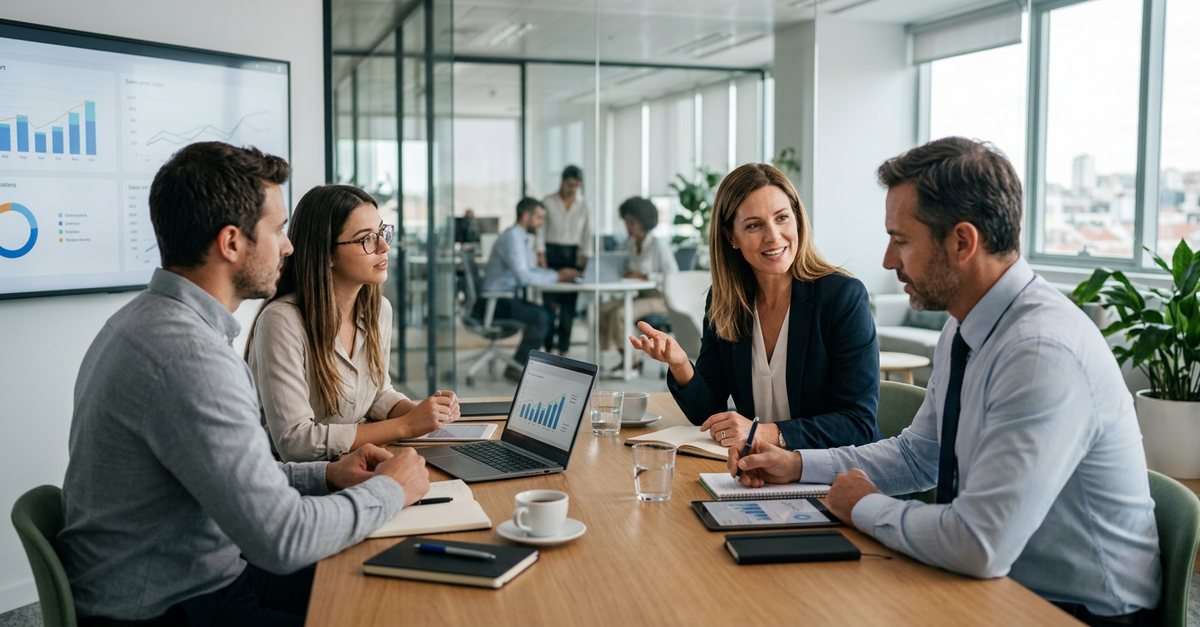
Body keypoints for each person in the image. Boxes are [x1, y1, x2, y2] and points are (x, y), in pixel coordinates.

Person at [729, 138, 1161, 626]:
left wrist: (865, 505)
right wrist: (797, 464)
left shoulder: (1040, 352)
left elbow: (980, 545)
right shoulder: (966, 325)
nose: (889, 260)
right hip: (993, 584)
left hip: (1073, 610)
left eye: (902, 239)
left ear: (962, 242)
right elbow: (920, 456)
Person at [58, 142, 430, 627]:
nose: (290, 246)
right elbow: (283, 539)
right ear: (232, 242)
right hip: (176, 606)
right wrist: (392, 491)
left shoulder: (146, 323)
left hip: (197, 571)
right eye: (277, 230)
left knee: (391, 582)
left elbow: (236, 474)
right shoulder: (191, 359)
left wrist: (326, 475)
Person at [631, 163, 881, 450]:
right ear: (731, 237)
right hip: (763, 472)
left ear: (797, 219)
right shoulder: (725, 300)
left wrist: (764, 434)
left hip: (838, 472)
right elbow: (708, 413)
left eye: (782, 218)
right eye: (754, 225)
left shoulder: (842, 297)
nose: (773, 236)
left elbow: (857, 423)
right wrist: (680, 365)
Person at [245, 184, 459, 463]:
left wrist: (425, 414)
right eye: (366, 239)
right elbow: (295, 441)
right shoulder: (281, 322)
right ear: (327, 254)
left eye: (382, 233)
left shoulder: (379, 309)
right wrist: (406, 426)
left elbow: (377, 394)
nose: (384, 247)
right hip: (296, 483)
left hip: (356, 462)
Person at [480, 196, 580, 380]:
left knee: (547, 312)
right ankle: (517, 366)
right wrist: (557, 276)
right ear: (526, 216)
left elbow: (530, 270)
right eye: (539, 218)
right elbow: (524, 277)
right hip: (496, 301)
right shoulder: (512, 239)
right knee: (541, 317)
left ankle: (522, 364)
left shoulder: (519, 237)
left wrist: (555, 274)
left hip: (505, 298)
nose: (541, 223)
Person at [598, 197, 678, 367]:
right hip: (639, 295)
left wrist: (644, 276)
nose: (627, 227)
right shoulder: (627, 245)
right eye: (626, 222)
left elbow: (672, 277)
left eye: (631, 222)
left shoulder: (658, 245)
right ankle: (628, 357)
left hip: (660, 299)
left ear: (642, 222)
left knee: (620, 313)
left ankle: (632, 362)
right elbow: (616, 265)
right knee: (602, 310)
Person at [537, 165, 591, 355]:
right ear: (562, 181)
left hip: (572, 255)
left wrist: (585, 258)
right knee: (550, 304)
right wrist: (541, 256)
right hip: (551, 254)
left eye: (577, 186)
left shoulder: (583, 205)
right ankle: (548, 347)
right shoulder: (548, 201)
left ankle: (563, 350)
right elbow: (540, 231)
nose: (573, 189)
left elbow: (587, 234)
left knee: (569, 307)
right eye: (569, 185)